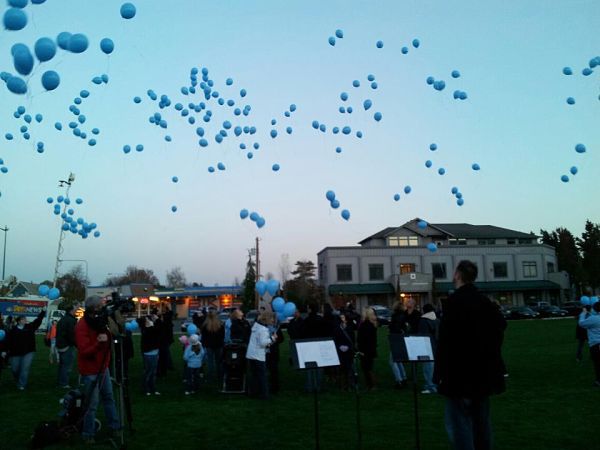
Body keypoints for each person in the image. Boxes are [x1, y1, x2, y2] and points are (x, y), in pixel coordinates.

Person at [434, 260, 506, 450]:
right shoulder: (485, 302)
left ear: (457, 275)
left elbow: (445, 342)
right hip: (483, 373)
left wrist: (439, 374)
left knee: (460, 425)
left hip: (459, 375)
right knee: (482, 424)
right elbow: (500, 326)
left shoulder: (453, 303)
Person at [75, 296, 120, 444]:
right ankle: (88, 434)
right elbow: (84, 351)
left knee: (109, 398)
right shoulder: (82, 325)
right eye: (100, 306)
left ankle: (115, 427)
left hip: (103, 367)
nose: (103, 308)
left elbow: (114, 334)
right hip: (90, 370)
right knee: (92, 404)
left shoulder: (100, 321)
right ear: (94, 308)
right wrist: (98, 344)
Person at [6, 310, 45, 390]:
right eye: (23, 319)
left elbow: (38, 321)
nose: (25, 320)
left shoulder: (30, 327)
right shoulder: (13, 330)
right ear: (19, 321)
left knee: (25, 368)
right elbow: (8, 341)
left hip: (28, 351)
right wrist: (5, 350)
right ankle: (18, 379)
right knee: (14, 369)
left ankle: (22, 384)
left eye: (25, 319)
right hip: (15, 352)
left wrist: (43, 312)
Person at [246, 311, 278, 399]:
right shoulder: (263, 329)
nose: (273, 320)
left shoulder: (256, 326)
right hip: (258, 356)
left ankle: (253, 392)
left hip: (251, 354)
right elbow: (263, 343)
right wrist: (272, 338)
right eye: (272, 318)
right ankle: (264, 395)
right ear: (267, 319)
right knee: (262, 376)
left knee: (254, 375)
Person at [300, 303, 329, 392]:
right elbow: (325, 332)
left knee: (309, 367)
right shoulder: (321, 319)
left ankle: (310, 386)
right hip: (319, 345)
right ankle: (319, 386)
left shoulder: (307, 320)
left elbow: (303, 333)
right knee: (320, 366)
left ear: (310, 309)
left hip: (309, 346)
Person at [136, 312, 162, 396]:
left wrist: (156, 320)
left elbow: (159, 329)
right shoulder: (147, 330)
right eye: (147, 320)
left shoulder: (150, 329)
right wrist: (156, 321)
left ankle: (152, 388)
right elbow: (156, 330)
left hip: (154, 352)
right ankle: (146, 388)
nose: (150, 321)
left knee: (153, 372)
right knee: (148, 372)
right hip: (149, 354)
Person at [56, 303, 79, 388]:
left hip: (61, 344)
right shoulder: (70, 320)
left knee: (62, 365)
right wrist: (76, 344)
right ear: (71, 310)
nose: (76, 309)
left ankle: (61, 382)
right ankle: (63, 383)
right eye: (75, 308)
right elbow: (71, 334)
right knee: (67, 366)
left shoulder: (63, 319)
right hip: (67, 345)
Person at [418, 303, 439, 394]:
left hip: (427, 346)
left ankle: (430, 386)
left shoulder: (423, 320)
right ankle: (435, 385)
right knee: (434, 367)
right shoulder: (437, 320)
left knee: (427, 368)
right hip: (436, 345)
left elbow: (422, 335)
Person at [578, 301, 600, 387]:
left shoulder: (594, 318)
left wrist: (583, 313)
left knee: (597, 363)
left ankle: (598, 381)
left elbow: (581, 323)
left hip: (596, 344)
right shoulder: (594, 318)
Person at [201, 310, 225, 384]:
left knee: (210, 362)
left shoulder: (205, 325)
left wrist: (205, 344)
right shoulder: (220, 325)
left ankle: (210, 377)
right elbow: (222, 336)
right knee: (219, 362)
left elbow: (203, 337)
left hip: (209, 346)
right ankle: (220, 376)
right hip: (218, 345)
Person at [389, 300, 409, 389]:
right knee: (398, 360)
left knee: (393, 361)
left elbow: (395, 328)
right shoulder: (403, 315)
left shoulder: (396, 316)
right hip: (402, 338)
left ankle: (399, 380)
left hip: (396, 338)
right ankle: (403, 378)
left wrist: (391, 327)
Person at [357, 307, 378, 390]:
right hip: (371, 350)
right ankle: (371, 385)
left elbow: (361, 339)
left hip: (365, 350)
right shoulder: (372, 325)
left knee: (367, 368)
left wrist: (361, 350)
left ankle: (371, 385)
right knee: (369, 368)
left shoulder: (364, 325)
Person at [333, 313, 355, 390]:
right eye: (341, 317)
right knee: (342, 369)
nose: (342, 319)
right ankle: (342, 385)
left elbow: (352, 340)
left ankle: (350, 384)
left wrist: (348, 347)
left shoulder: (350, 328)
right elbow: (335, 340)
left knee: (349, 368)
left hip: (349, 352)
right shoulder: (337, 329)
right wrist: (339, 346)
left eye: (343, 317)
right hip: (340, 352)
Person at [266, 318, 284, 394]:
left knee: (273, 370)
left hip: (273, 351)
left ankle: (274, 387)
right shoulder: (264, 328)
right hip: (268, 351)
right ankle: (268, 386)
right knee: (269, 370)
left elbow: (281, 339)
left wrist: (275, 339)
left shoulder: (276, 329)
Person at [157, 305, 174, 377]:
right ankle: (168, 365)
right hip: (165, 339)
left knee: (165, 354)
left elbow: (170, 314)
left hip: (165, 339)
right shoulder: (166, 319)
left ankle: (167, 366)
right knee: (166, 353)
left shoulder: (166, 319)